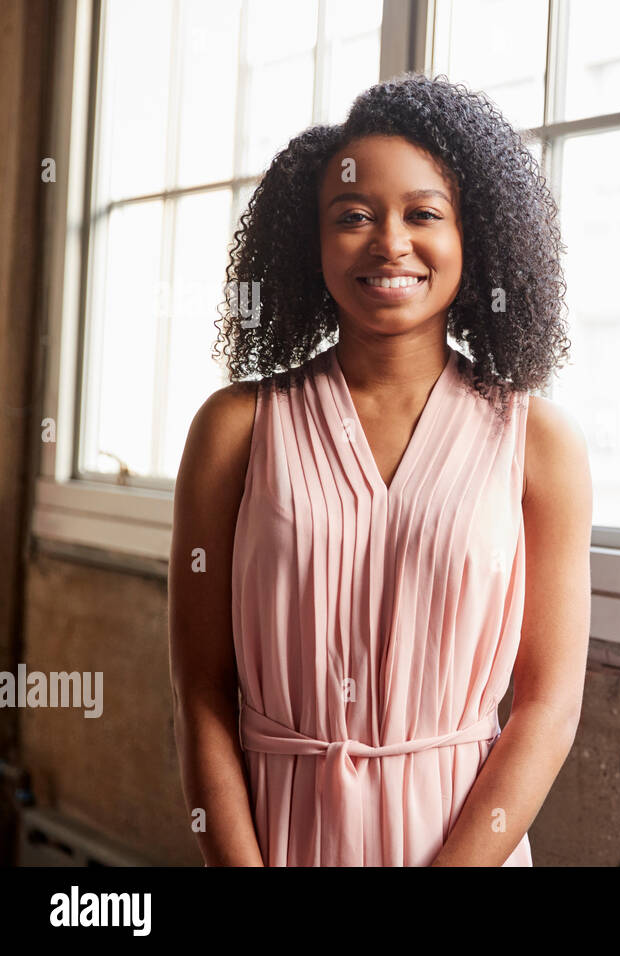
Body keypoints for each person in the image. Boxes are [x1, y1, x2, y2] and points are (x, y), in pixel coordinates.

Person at [167, 73, 592, 866]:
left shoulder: (539, 446)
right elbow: (201, 695)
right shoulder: (234, 431)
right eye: (353, 216)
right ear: (311, 242)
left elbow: (548, 706)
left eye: (424, 214)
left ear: (477, 236)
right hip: (281, 841)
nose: (389, 242)